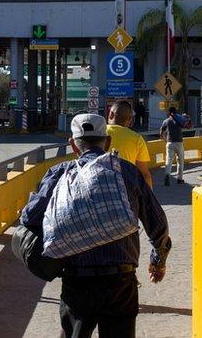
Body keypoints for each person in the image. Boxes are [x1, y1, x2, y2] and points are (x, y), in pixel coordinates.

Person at [20, 113, 170, 338]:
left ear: (73, 144)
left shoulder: (60, 173)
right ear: (107, 142)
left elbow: (30, 218)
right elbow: (157, 222)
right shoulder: (127, 171)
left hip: (77, 281)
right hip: (121, 281)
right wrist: (157, 260)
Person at [106, 100, 153, 188]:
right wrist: (149, 199)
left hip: (101, 189)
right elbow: (144, 174)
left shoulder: (99, 133)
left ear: (111, 114)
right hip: (126, 190)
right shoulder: (136, 139)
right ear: (130, 119)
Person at [160, 106, 189, 186]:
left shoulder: (166, 121)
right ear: (176, 112)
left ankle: (167, 175)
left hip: (170, 143)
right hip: (179, 142)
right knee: (180, 161)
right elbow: (186, 125)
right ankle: (179, 179)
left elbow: (161, 132)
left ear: (168, 112)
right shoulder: (179, 119)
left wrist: (166, 140)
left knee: (168, 161)